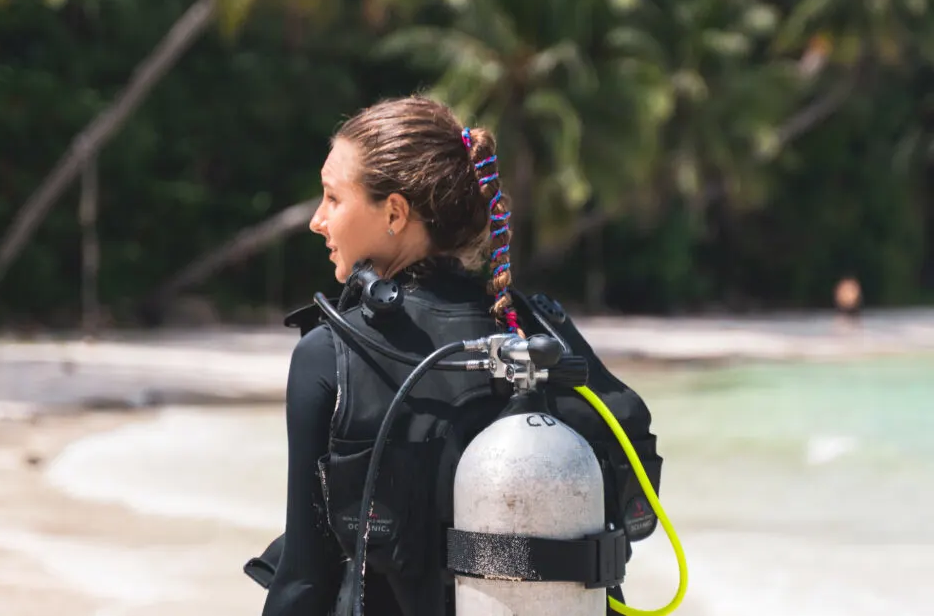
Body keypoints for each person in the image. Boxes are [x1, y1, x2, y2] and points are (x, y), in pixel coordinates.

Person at [249, 95, 663, 616]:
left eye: (333, 198)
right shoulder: (542, 337)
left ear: (394, 213)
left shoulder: (334, 353)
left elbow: (305, 580)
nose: (317, 220)